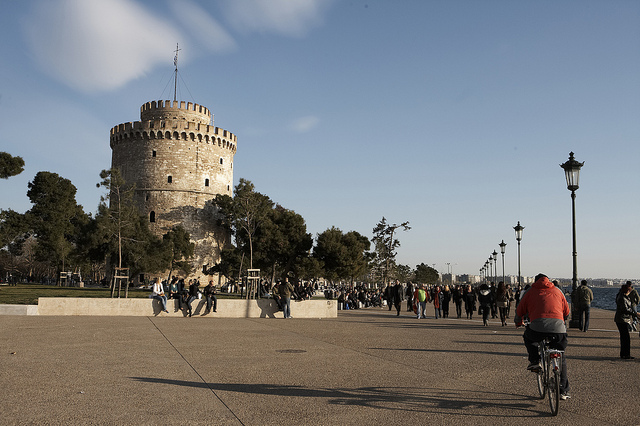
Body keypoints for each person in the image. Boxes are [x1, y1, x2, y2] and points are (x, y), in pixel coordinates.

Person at [515, 273, 570, 400]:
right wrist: (563, 320)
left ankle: (535, 361)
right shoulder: (558, 291)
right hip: (558, 329)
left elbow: (520, 309)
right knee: (561, 355)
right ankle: (563, 390)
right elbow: (566, 311)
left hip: (537, 328)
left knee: (529, 337)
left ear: (535, 281)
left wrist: (518, 321)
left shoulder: (530, 291)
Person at [614, 282, 640, 360]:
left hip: (621, 319)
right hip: (622, 319)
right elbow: (625, 309)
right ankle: (626, 354)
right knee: (626, 338)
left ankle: (624, 354)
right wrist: (636, 314)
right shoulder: (623, 298)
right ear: (627, 291)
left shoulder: (621, 296)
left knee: (624, 337)